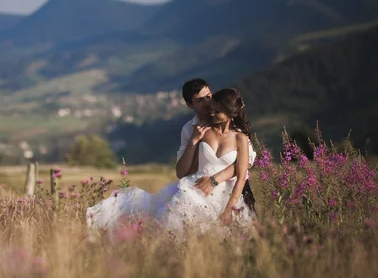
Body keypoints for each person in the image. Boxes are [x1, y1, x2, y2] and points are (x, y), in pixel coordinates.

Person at [86, 86, 257, 236]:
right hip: (196, 190)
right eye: (209, 107)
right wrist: (194, 141)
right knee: (177, 230)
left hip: (226, 193)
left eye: (216, 110)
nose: (211, 112)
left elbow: (242, 174)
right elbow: (188, 169)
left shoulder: (240, 137)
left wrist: (229, 208)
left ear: (229, 113)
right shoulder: (201, 130)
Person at [175, 78, 257, 214]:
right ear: (190, 105)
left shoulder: (235, 127)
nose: (207, 103)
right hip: (201, 192)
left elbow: (247, 162)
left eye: (208, 97)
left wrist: (214, 180)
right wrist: (193, 140)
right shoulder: (189, 129)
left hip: (235, 189)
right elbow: (182, 172)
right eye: (200, 100)